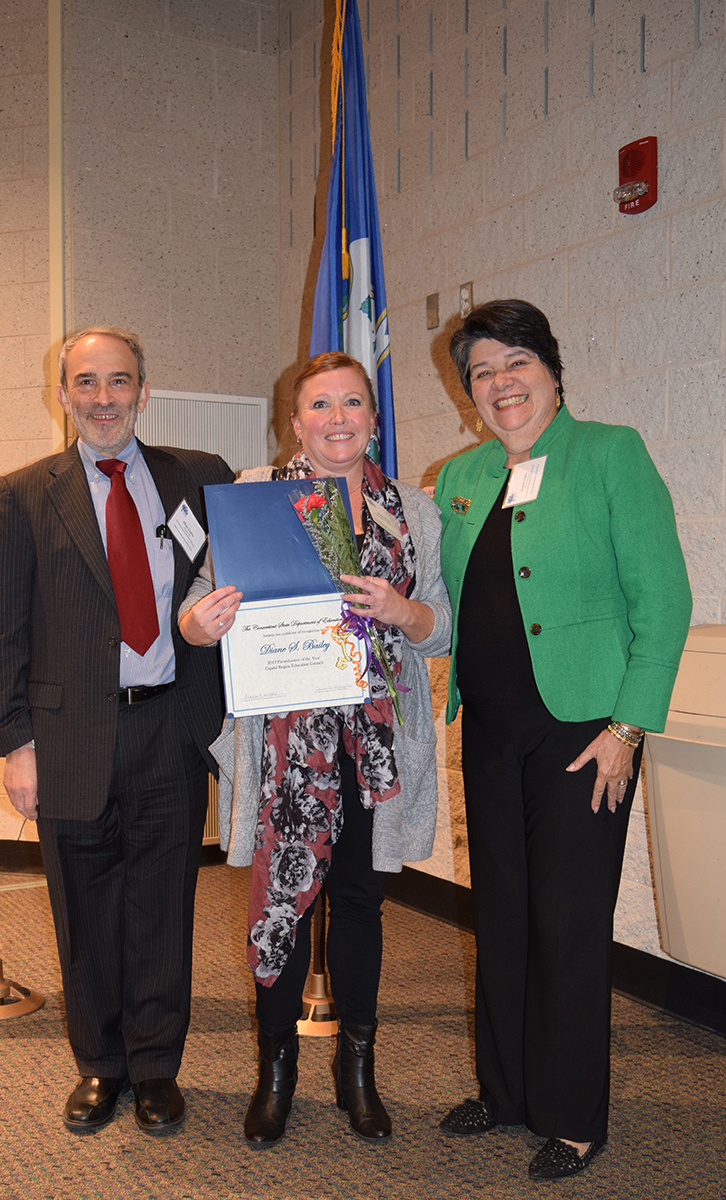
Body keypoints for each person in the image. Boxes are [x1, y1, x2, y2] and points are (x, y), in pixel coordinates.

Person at [433, 300, 692, 1179]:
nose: (501, 383)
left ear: (551, 370)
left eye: (517, 363)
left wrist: (629, 727)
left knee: (569, 922)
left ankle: (573, 1116)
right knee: (502, 913)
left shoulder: (610, 454)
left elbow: (664, 601)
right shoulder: (463, 474)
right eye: (482, 372)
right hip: (490, 730)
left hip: (585, 733)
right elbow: (450, 598)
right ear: (469, 391)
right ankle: (505, 1091)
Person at [179, 351, 452, 1147]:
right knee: (282, 904)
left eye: (353, 403)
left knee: (361, 903)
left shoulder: (414, 510)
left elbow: (441, 627)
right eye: (321, 405)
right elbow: (196, 605)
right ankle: (277, 1074)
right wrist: (202, 623)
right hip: (284, 747)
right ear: (294, 423)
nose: (338, 419)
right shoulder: (258, 495)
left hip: (375, 746)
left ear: (373, 417)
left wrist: (403, 611)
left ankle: (357, 1073)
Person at [0, 327, 233, 1135]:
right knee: (84, 910)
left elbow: (247, 563)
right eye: (85, 382)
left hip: (171, 726)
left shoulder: (200, 478)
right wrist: (17, 745)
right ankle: (100, 1065)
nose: (102, 398)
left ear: (144, 391)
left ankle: (155, 1067)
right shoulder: (22, 494)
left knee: (163, 904)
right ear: (62, 394)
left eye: (118, 381)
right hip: (66, 738)